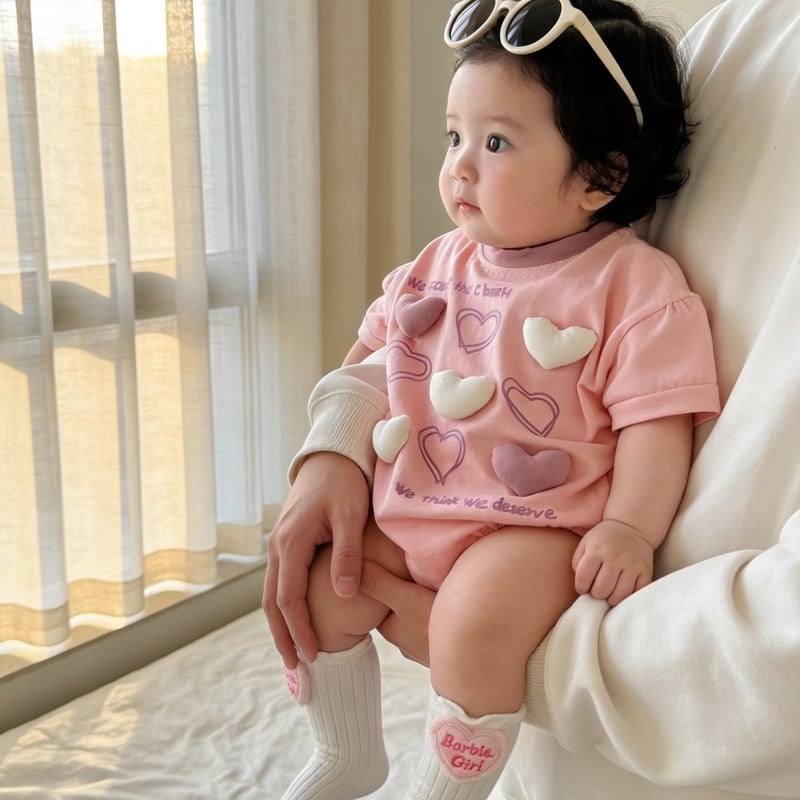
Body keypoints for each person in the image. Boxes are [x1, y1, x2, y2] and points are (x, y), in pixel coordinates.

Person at [269, 1, 721, 799]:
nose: (460, 167)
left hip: (531, 529)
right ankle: (345, 751)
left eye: (496, 143)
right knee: (321, 577)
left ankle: (448, 788)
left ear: (600, 177)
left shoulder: (633, 284)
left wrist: (627, 527)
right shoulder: (434, 264)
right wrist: (333, 454)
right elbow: (366, 365)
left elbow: (658, 421)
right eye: (455, 137)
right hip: (410, 504)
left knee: (475, 627)